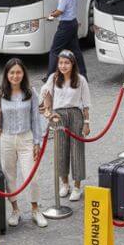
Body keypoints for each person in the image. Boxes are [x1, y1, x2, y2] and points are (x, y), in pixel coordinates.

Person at [0, 58, 47, 228]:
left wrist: (37, 142)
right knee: (9, 176)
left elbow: (36, 118)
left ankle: (35, 209)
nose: (15, 76)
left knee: (32, 176)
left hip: (26, 138)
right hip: (6, 138)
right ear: (6, 74)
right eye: (12, 72)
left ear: (23, 74)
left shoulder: (31, 92)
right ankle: (15, 210)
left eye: (18, 72)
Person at [40, 50, 91, 202]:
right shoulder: (54, 78)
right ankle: (64, 183)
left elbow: (86, 104)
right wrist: (49, 112)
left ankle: (77, 186)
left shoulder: (80, 80)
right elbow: (46, 94)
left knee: (77, 150)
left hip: (76, 114)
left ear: (72, 64)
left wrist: (87, 123)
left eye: (66, 63)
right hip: (59, 115)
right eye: (61, 63)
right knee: (60, 150)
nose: (63, 66)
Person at [47, 0, 87, 80]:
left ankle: (50, 76)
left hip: (65, 26)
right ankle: (83, 74)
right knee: (76, 51)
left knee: (54, 50)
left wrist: (51, 15)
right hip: (73, 23)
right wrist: (55, 13)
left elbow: (60, 11)